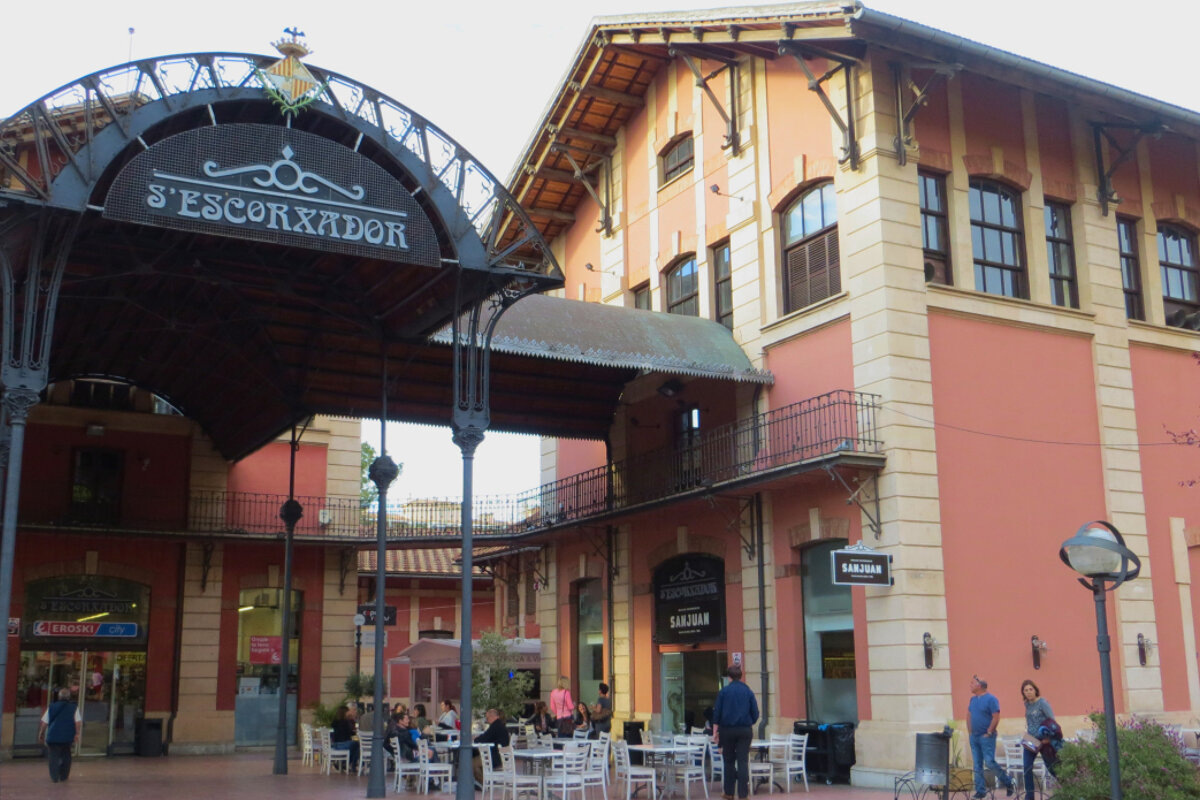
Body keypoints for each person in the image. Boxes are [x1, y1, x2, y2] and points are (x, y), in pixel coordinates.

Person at [712, 664, 758, 800]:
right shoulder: (748, 691)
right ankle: (743, 795)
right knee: (743, 762)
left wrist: (715, 732)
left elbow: (717, 714)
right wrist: (749, 722)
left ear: (729, 677)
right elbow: (755, 713)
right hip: (745, 730)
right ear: (741, 676)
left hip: (727, 730)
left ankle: (729, 792)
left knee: (729, 762)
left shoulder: (724, 692)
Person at [967, 675, 1015, 799]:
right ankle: (980, 791)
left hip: (986, 737)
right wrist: (970, 732)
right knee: (977, 764)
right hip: (974, 737)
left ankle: (1008, 781)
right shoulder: (972, 700)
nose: (970, 686)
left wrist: (989, 731)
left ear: (979, 686)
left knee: (989, 762)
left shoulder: (991, 699)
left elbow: (996, 716)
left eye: (972, 684)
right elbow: (969, 715)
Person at [1019, 679, 1057, 800]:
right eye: (1026, 690)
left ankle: (1069, 787)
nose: (1029, 692)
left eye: (1031, 689)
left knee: (1052, 767)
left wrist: (1048, 737)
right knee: (1027, 767)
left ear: (1035, 690)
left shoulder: (1043, 703)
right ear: (1023, 693)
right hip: (1031, 740)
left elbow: (1052, 720)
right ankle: (1029, 797)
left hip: (1044, 740)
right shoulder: (1027, 704)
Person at [38, 688, 81, 783]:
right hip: (67, 736)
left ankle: (54, 776)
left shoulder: (52, 707)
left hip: (53, 736)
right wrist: (77, 733)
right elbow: (77, 722)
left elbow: (45, 722)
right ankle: (64, 775)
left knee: (53, 756)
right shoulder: (74, 707)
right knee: (66, 755)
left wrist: (41, 733)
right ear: (69, 697)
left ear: (59, 696)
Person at [473, 708, 510, 782]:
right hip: (502, 756)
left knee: (471, 763)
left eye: (487, 718)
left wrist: (475, 740)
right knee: (476, 760)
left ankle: (483, 783)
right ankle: (486, 781)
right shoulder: (499, 725)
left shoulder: (495, 727)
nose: (487, 720)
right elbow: (485, 737)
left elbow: (483, 739)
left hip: (495, 758)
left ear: (493, 717)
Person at [330, 704, 360, 769]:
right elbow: (350, 733)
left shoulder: (335, 721)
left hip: (335, 744)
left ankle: (345, 763)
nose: (349, 712)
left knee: (354, 746)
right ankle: (351, 764)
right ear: (344, 712)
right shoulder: (345, 722)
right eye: (348, 711)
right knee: (357, 744)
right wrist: (356, 733)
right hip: (342, 744)